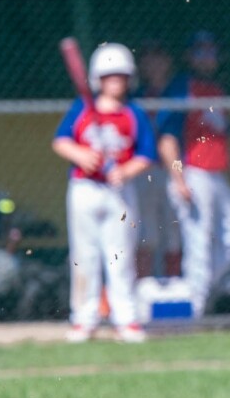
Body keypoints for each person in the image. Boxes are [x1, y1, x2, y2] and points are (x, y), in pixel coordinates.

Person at [51, 42, 157, 343]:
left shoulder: (133, 113)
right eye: (110, 77)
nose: (116, 82)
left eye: (121, 77)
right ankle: (84, 319)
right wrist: (81, 155)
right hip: (85, 187)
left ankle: (126, 318)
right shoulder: (82, 109)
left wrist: (124, 171)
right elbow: (61, 141)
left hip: (119, 191)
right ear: (97, 80)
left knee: (120, 256)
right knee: (84, 256)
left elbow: (145, 154)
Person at [157, 30, 230, 317]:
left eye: (211, 51)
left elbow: (223, 137)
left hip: (218, 174)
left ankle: (210, 294)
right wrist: (178, 177)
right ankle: (196, 308)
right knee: (199, 242)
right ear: (189, 56)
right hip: (193, 172)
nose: (207, 57)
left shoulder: (218, 87)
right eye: (200, 51)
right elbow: (168, 137)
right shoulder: (182, 86)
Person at [133, 40, 181, 279]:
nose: (154, 64)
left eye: (159, 57)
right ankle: (144, 286)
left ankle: (176, 286)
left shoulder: (178, 91)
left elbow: (173, 140)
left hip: (177, 169)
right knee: (147, 232)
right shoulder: (137, 96)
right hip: (144, 170)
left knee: (175, 231)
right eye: (148, 59)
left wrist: (179, 174)